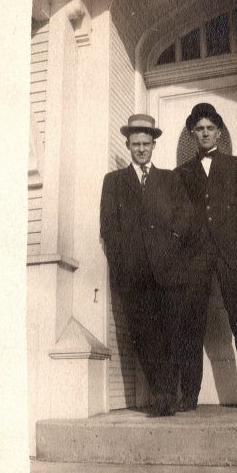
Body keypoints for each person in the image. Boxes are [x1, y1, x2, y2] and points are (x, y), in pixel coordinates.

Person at [175, 102, 237, 412]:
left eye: (210, 128)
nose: (205, 133)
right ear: (194, 134)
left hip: (234, 261)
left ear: (218, 132)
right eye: (199, 129)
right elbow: (176, 218)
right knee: (191, 326)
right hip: (196, 262)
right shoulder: (181, 174)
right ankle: (188, 397)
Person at [100, 114, 191, 417]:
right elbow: (109, 228)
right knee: (145, 335)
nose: (141, 149)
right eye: (135, 144)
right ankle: (160, 395)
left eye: (146, 144)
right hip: (134, 275)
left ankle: (170, 394)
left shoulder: (170, 179)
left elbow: (184, 218)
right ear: (128, 146)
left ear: (154, 145)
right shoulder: (114, 182)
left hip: (167, 272)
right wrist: (122, 263)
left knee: (171, 333)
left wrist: (172, 248)